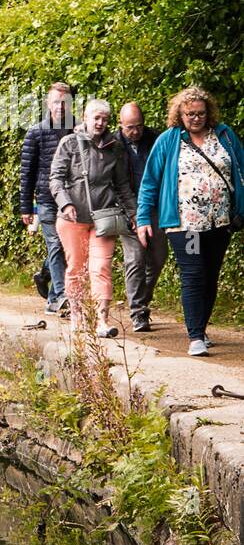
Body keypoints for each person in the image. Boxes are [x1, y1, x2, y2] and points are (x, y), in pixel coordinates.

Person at [136, 86, 244, 356]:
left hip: (220, 222)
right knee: (194, 273)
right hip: (186, 225)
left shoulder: (225, 136)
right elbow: (150, 181)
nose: (195, 118)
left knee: (210, 275)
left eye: (200, 113)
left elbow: (241, 172)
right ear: (179, 115)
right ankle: (195, 336)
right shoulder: (169, 140)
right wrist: (143, 217)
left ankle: (202, 327)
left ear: (208, 113)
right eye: (189, 114)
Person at [49, 98, 137, 338]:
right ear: (85, 118)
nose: (100, 123)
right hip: (73, 217)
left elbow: (121, 185)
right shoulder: (69, 143)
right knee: (76, 268)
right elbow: (55, 179)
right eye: (96, 118)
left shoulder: (115, 146)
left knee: (101, 268)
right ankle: (77, 314)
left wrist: (133, 213)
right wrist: (65, 203)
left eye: (105, 119)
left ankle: (101, 320)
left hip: (104, 217)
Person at [20, 82, 75, 316]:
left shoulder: (79, 130)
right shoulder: (36, 132)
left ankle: (47, 282)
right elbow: (27, 172)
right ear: (47, 104)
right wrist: (26, 207)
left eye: (64, 102)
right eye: (55, 102)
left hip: (71, 199)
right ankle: (62, 295)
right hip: (45, 199)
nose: (60, 107)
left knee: (64, 247)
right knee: (55, 244)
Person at [116, 102, 167, 332]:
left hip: (154, 208)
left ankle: (142, 302)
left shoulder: (155, 139)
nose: (135, 131)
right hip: (126, 209)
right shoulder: (112, 144)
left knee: (157, 259)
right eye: (130, 128)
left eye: (138, 126)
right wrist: (133, 213)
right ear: (121, 125)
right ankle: (137, 312)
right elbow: (116, 183)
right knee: (135, 259)